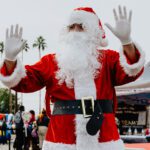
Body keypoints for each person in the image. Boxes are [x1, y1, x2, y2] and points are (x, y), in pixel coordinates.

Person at [0, 6, 145, 150]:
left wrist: (127, 42)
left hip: (104, 141)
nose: (75, 32)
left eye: (81, 27)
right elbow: (23, 81)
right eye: (71, 27)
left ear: (94, 33)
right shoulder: (51, 62)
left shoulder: (108, 59)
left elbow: (131, 70)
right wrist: (9, 59)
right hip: (61, 142)